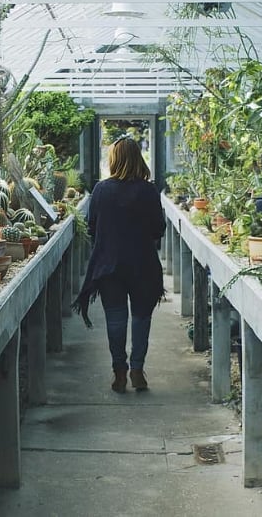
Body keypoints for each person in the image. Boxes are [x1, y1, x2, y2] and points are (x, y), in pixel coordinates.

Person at [72, 136, 166, 393]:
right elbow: (159, 229)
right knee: (141, 317)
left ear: (114, 159)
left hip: (109, 265)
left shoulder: (102, 189)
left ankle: (119, 372)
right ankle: (137, 370)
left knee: (115, 318)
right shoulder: (149, 191)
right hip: (143, 265)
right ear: (138, 158)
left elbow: (92, 227)